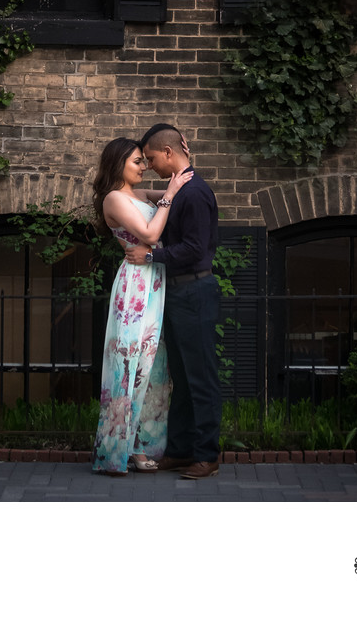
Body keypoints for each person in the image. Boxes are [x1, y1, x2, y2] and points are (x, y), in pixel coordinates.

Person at [90, 136, 193, 476]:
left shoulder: (135, 195)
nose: (145, 168)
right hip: (135, 287)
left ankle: (142, 444)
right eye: (138, 161)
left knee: (152, 368)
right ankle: (120, 449)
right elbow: (150, 234)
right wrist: (168, 196)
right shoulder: (114, 199)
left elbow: (170, 193)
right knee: (129, 365)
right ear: (118, 163)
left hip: (155, 282)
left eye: (145, 161)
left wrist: (181, 165)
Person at [125, 123, 221, 479]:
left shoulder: (194, 193)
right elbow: (160, 199)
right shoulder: (180, 188)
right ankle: (181, 452)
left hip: (194, 291)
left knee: (201, 378)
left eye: (151, 157)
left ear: (169, 152)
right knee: (182, 378)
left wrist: (150, 257)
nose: (149, 164)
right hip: (180, 292)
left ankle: (207, 456)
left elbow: (195, 249)